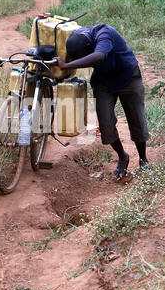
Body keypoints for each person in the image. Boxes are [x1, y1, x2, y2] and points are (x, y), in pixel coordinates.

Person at [56, 23, 152, 179]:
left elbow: (99, 55)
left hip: (128, 76)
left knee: (137, 120)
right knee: (105, 123)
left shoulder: (104, 33)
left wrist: (67, 65)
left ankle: (143, 159)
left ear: (90, 46)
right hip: (104, 81)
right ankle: (122, 156)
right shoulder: (78, 37)